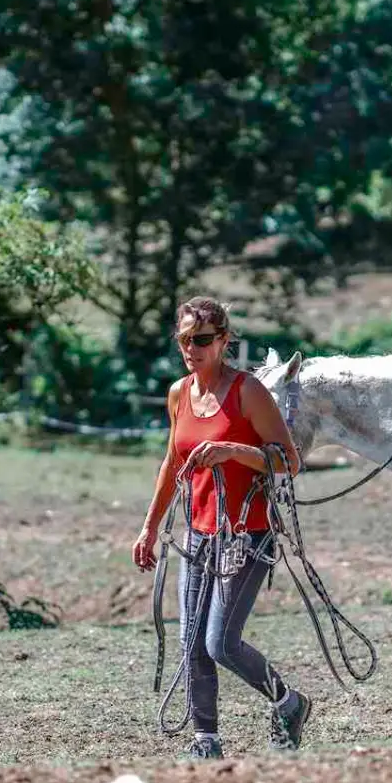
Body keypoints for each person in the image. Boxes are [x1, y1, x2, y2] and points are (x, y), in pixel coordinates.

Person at [132, 297, 310, 759]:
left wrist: (234, 450)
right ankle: (206, 742)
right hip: (197, 533)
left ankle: (288, 702)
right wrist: (149, 529)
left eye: (204, 340)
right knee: (191, 641)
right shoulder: (178, 394)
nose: (193, 348)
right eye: (185, 340)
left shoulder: (248, 392)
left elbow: (288, 461)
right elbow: (172, 463)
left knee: (220, 642)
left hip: (248, 532)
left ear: (225, 341)